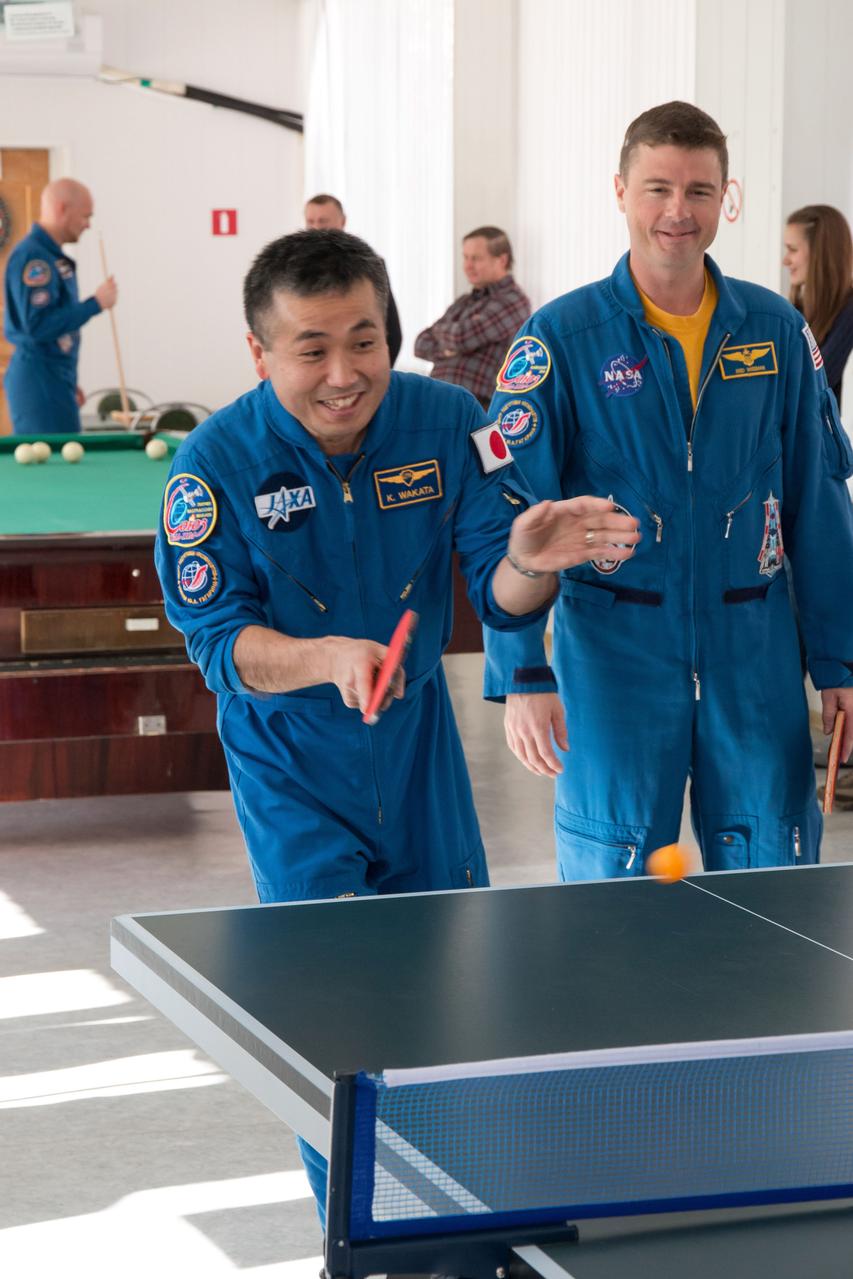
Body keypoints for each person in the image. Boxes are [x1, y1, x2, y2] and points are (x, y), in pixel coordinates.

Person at [154, 228, 640, 1220]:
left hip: (417, 750)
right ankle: (363, 1232)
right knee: (337, 1014)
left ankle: (458, 1221)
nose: (345, 374)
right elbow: (218, 642)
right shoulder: (211, 469)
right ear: (259, 353)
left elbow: (497, 594)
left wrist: (534, 557)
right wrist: (324, 659)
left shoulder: (445, 420)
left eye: (364, 341)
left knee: (447, 995)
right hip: (292, 763)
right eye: (312, 348)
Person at [483, 101, 853, 882]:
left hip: (752, 650)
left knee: (773, 879)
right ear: (619, 191)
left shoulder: (776, 333)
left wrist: (838, 661)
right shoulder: (558, 339)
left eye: (698, 190)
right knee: (614, 895)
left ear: (727, 197)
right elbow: (509, 512)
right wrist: (520, 669)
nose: (677, 212)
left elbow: (816, 506)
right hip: (615, 655)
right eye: (657, 188)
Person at [3, 178, 117, 434]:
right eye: (85, 216)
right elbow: (37, 326)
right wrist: (95, 303)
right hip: (39, 376)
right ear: (62, 208)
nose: (88, 224)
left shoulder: (51, 256)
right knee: (50, 467)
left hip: (54, 376)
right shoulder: (35, 257)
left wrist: (68, 378)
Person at [414, 226, 531, 409]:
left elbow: (462, 337)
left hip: (476, 406)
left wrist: (445, 337)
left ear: (501, 260)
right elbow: (421, 343)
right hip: (438, 398)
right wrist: (450, 347)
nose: (467, 266)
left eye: (476, 258)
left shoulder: (514, 301)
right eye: (465, 257)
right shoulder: (464, 302)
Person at [304, 192, 402, 364]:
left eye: (323, 222)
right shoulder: (292, 270)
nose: (316, 229)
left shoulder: (369, 265)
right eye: (311, 222)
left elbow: (392, 331)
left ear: (342, 222)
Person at [784, 204, 853, 409]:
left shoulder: (849, 313)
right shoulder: (800, 311)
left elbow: (815, 383)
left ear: (820, 253)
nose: (785, 260)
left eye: (793, 250)